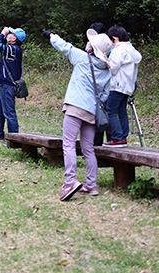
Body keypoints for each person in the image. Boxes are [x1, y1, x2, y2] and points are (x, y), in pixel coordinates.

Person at [44, 28, 112, 201]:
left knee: (68, 144)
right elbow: (104, 96)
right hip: (91, 112)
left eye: (91, 42)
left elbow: (64, 46)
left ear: (93, 48)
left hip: (75, 107)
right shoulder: (106, 71)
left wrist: (52, 35)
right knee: (88, 149)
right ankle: (92, 184)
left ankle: (70, 181)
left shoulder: (82, 58)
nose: (88, 42)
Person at [103, 25, 142, 147]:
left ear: (115, 39)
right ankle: (123, 137)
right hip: (127, 87)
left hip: (117, 86)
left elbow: (112, 69)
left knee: (111, 111)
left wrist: (105, 60)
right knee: (122, 111)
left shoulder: (119, 50)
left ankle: (117, 137)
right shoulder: (132, 50)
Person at [0, 26, 26, 141]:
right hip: (4, 85)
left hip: (7, 85)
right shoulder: (13, 49)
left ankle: (14, 139)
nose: (9, 34)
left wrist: (2, 34)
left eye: (11, 34)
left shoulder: (13, 49)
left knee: (9, 112)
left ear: (14, 39)